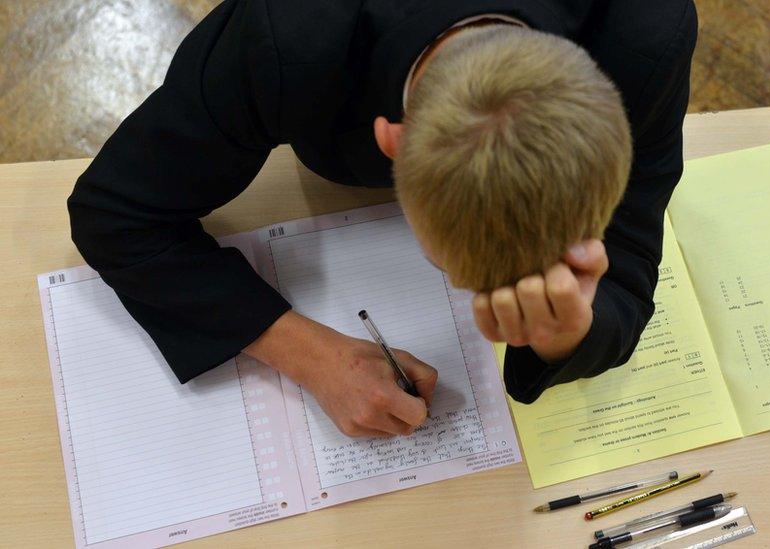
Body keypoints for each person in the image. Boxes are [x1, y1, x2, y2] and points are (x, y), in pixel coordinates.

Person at [68, 1, 698, 439]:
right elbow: (116, 212)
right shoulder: (289, 36)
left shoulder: (646, 34)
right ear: (390, 142)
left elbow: (630, 257)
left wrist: (570, 329)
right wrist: (305, 352)